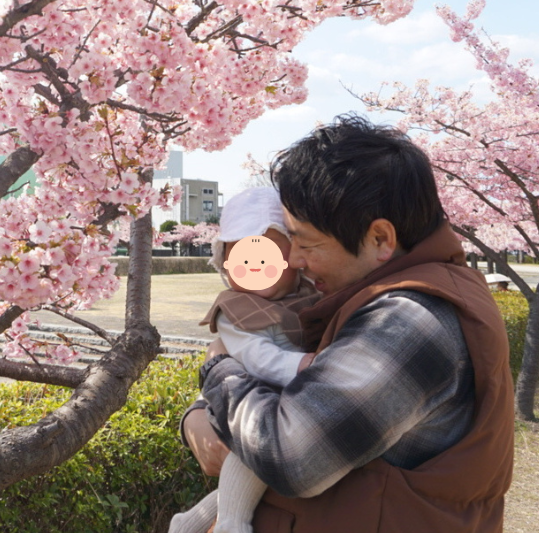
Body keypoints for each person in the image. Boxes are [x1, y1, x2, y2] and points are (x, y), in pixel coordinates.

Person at [180, 114, 514, 533]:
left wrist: (217, 369)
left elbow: (290, 456)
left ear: (380, 239)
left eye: (306, 242)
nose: (295, 260)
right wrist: (198, 414)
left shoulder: (410, 319)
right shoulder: (387, 294)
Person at [169, 187, 321, 533]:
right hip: (248, 400)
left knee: (255, 475)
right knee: (255, 454)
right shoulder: (234, 310)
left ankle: (189, 522)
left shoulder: (311, 293)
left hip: (273, 401)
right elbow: (256, 356)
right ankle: (231, 524)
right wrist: (300, 366)